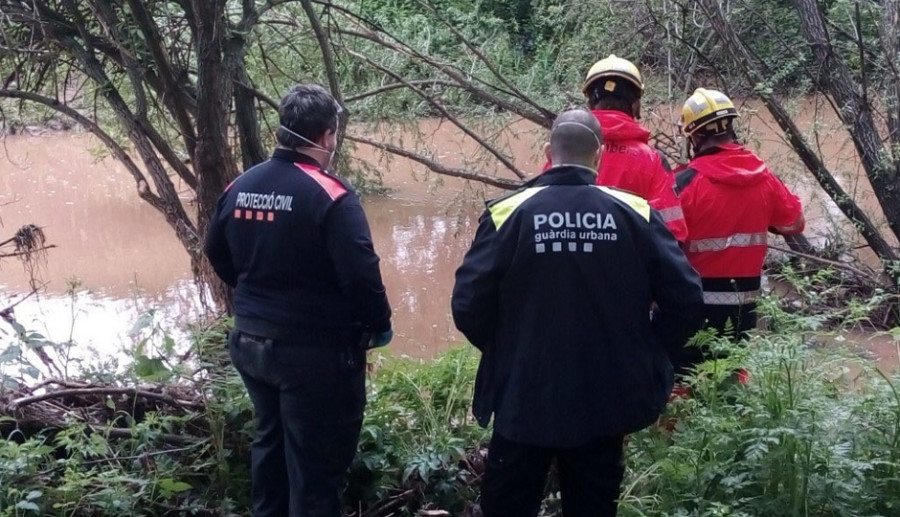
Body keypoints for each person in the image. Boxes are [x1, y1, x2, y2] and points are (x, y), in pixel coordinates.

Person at [452, 109, 704, 517]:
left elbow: (467, 304)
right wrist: (645, 347)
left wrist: (508, 348)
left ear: (548, 151)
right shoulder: (635, 213)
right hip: (605, 399)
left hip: (523, 397)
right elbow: (687, 298)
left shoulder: (507, 212)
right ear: (599, 155)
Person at [204, 84, 393, 517]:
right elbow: (362, 274)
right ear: (328, 136)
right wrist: (377, 325)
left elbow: (215, 251)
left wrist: (252, 295)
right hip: (313, 355)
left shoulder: (241, 185)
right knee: (317, 467)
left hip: (251, 343)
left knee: (270, 446)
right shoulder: (330, 194)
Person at [671, 87, 804, 374]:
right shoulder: (764, 176)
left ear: (694, 135)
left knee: (687, 378)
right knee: (732, 373)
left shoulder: (684, 184)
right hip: (745, 307)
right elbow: (793, 223)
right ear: (731, 127)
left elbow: (663, 246)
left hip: (696, 306)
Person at [579, 54, 688, 242]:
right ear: (636, 106)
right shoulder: (653, 161)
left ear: (589, 103)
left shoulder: (565, 151)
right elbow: (673, 234)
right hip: (630, 268)